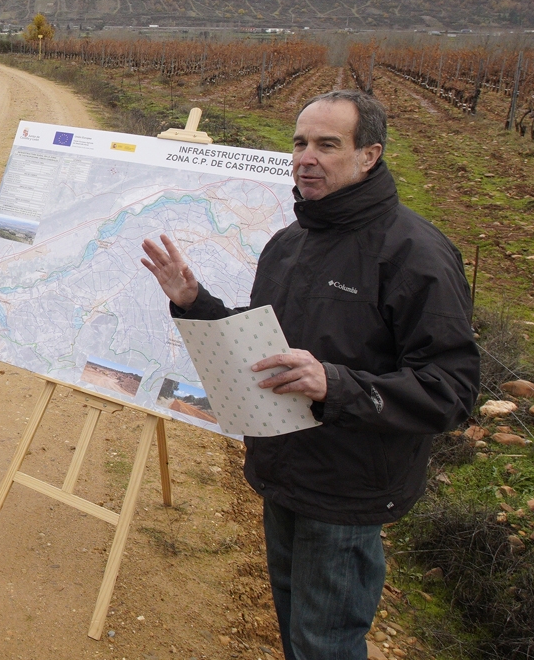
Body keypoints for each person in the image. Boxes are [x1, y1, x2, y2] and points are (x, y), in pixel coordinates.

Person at [141, 89, 479, 660]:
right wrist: (196, 303)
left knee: (326, 644)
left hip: (347, 489)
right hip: (283, 472)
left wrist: (337, 385)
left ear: (369, 155)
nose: (305, 157)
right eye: (299, 143)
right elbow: (262, 347)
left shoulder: (415, 253)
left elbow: (451, 390)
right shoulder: (289, 244)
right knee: (298, 631)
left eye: (327, 144)